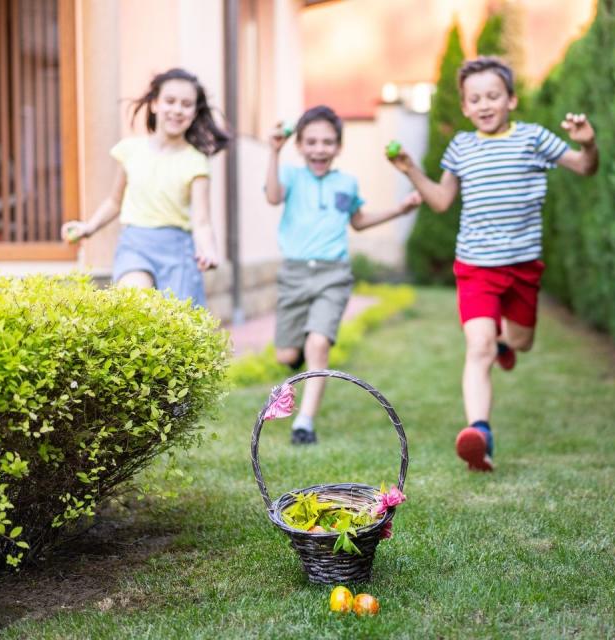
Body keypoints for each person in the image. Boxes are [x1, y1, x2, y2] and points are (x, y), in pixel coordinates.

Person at [388, 56, 599, 471]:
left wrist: (588, 143)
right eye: (474, 99)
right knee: (478, 348)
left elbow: (585, 168)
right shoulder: (461, 147)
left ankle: (507, 342)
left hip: (522, 265)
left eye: (493, 96)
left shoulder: (534, 138)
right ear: (464, 106)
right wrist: (411, 169)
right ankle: (479, 434)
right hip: (477, 266)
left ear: (511, 100)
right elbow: (442, 200)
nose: (484, 105)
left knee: (521, 342)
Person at [265, 105, 421, 445]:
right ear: (300, 145)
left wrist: (400, 209)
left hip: (332, 274)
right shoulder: (290, 175)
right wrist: (273, 153)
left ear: (338, 146)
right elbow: (273, 196)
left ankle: (304, 423)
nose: (319, 149)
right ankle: (302, 352)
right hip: (294, 274)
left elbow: (359, 220)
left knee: (318, 343)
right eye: (312, 142)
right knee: (286, 356)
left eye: (327, 142)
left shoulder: (346, 183)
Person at [61, 68, 229, 307]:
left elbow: (202, 221)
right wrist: (88, 227)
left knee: (176, 330)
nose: (177, 110)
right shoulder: (130, 150)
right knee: (134, 304)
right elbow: (114, 201)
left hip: (177, 252)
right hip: (135, 245)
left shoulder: (196, 161)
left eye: (186, 104)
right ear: (154, 104)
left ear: (194, 112)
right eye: (169, 101)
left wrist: (209, 251)